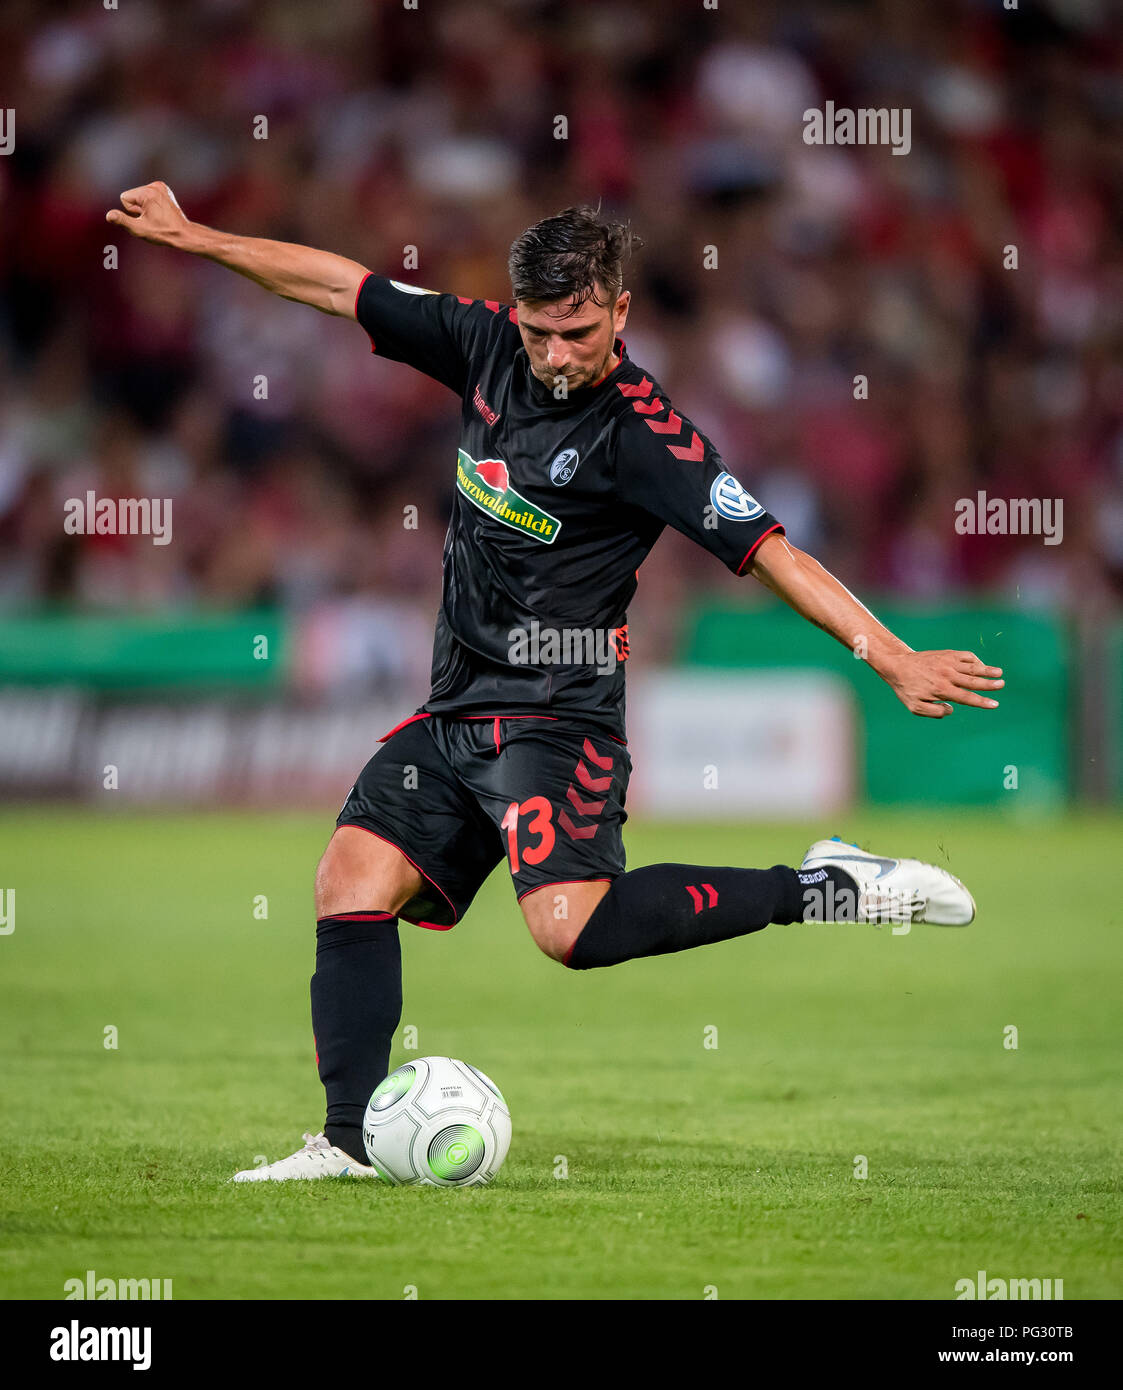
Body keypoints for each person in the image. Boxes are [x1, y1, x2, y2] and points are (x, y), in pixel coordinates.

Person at [106, 186, 1004, 1181]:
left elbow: (772, 553)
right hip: (456, 707)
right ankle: (349, 1142)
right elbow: (336, 284)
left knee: (568, 930)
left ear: (619, 312)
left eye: (576, 332)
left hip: (557, 715)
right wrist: (195, 238)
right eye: (540, 332)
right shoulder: (483, 343)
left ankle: (823, 887)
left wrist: (889, 655)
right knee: (347, 881)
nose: (554, 354)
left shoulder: (646, 434)